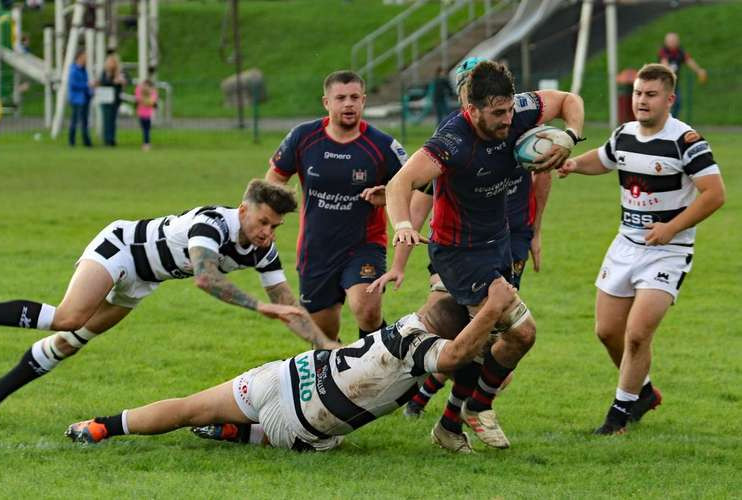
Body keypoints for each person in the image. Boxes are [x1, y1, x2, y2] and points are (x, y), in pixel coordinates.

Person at [0, 180, 336, 416]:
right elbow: (205, 277)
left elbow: (289, 307)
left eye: (275, 226)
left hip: (143, 281)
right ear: (244, 210)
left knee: (71, 341)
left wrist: (325, 345)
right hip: (120, 248)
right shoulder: (211, 223)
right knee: (69, 318)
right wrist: (260, 306)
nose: (267, 232)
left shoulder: (262, 250)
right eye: (263, 222)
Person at [65, 278, 519, 453]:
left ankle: (102, 427)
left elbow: (446, 308)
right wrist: (493, 308)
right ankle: (246, 432)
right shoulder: (423, 347)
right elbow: (458, 355)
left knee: (188, 407)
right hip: (300, 424)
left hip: (287, 374)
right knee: (333, 445)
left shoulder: (409, 322)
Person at [385, 60, 585, 451]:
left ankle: (450, 422)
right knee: (517, 333)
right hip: (458, 252)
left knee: (489, 340)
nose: (507, 119)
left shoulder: (521, 111)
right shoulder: (452, 140)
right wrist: (402, 225)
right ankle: (470, 408)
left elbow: (568, 100)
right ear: (472, 110)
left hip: (499, 243)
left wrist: (571, 136)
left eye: (509, 109)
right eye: (497, 113)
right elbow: (401, 182)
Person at [557, 63, 725, 435]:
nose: (641, 101)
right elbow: (603, 158)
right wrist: (572, 164)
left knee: (637, 334)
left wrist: (672, 228)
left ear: (669, 99)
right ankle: (643, 392)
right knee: (606, 331)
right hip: (625, 245)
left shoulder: (687, 142)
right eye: (637, 93)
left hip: (669, 250)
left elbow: (715, 194)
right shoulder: (625, 134)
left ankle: (618, 416)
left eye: (650, 95)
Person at [265, 70, 408, 342]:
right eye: (340, 98)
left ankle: (380, 365)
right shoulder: (303, 138)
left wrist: (389, 193)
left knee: (366, 310)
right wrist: (272, 213)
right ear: (326, 103)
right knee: (323, 334)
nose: (348, 104)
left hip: (364, 245)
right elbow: (274, 177)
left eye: (355, 97)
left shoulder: (383, 146)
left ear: (364, 101)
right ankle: (340, 376)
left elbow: (414, 186)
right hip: (316, 249)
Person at [658, 32, 707, 117]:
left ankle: (672, 122)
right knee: (664, 103)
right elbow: (664, 63)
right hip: (662, 84)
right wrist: (669, 72)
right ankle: (662, 121)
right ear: (666, 42)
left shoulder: (680, 52)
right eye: (670, 40)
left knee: (677, 103)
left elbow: (689, 61)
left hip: (674, 83)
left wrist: (699, 71)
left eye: (674, 40)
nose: (673, 42)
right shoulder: (663, 51)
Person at [98, 52, 127, 146]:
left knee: (112, 120)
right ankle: (106, 139)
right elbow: (102, 82)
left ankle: (112, 139)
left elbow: (128, 79)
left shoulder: (120, 72)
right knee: (106, 120)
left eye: (113, 62)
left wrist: (122, 81)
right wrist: (113, 81)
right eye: (110, 62)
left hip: (115, 99)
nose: (112, 64)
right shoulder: (105, 72)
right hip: (105, 98)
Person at [67, 48, 93, 147]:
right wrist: (87, 86)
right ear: (79, 58)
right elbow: (74, 85)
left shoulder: (83, 70)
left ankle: (87, 142)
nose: (86, 59)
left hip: (85, 98)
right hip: (77, 99)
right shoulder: (73, 70)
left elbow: (85, 84)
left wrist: (90, 92)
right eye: (84, 57)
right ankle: (71, 141)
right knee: (75, 121)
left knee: (85, 121)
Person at [135, 76, 158, 151]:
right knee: (145, 129)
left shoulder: (153, 92)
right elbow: (138, 98)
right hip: (141, 113)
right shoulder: (140, 90)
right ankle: (146, 143)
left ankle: (146, 143)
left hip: (148, 114)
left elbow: (152, 102)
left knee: (146, 129)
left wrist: (145, 100)